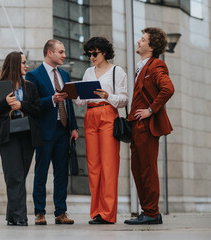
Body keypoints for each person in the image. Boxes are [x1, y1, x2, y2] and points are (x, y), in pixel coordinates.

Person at [74, 37, 128, 224]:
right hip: (90, 115)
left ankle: (107, 213)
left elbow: (124, 99)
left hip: (107, 114)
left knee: (109, 165)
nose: (91, 57)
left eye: (94, 53)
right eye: (88, 54)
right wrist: (73, 94)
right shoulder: (89, 72)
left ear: (104, 52)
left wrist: (108, 95)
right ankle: (96, 212)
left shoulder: (117, 71)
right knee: (93, 166)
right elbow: (81, 100)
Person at [0, 51, 43, 226]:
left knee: (20, 176)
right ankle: (20, 217)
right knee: (14, 177)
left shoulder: (30, 87)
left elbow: (38, 110)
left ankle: (11, 216)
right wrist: (6, 103)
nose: (27, 66)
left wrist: (21, 105)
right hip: (7, 136)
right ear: (14, 64)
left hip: (27, 135)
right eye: (23, 62)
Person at [124, 27, 175, 225]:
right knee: (137, 168)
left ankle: (152, 212)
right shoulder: (142, 66)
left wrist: (151, 110)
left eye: (143, 40)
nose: (138, 41)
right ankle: (148, 211)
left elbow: (168, 89)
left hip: (147, 126)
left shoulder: (156, 65)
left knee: (147, 169)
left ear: (152, 46)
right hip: (137, 126)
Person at [25, 39, 79, 225]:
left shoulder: (64, 74)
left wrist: (73, 127)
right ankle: (39, 213)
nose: (64, 55)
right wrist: (52, 99)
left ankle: (60, 213)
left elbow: (69, 102)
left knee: (61, 173)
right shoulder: (33, 75)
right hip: (44, 131)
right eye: (61, 52)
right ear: (50, 53)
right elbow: (31, 105)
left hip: (63, 131)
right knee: (41, 173)